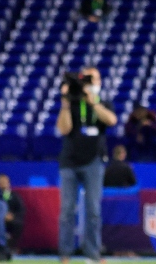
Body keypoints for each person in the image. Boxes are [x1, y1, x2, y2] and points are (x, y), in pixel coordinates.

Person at [57, 67, 118, 264]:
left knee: (93, 210)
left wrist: (94, 103)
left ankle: (93, 253)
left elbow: (111, 120)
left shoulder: (103, 102)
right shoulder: (72, 102)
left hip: (94, 161)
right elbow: (63, 129)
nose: (91, 83)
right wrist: (65, 104)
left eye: (95, 79)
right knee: (67, 210)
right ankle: (65, 254)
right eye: (87, 80)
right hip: (69, 161)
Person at [0, 174, 24, 252]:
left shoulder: (15, 196)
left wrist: (12, 216)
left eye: (5, 182)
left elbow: (20, 210)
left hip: (11, 220)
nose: (3, 183)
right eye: (0, 182)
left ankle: (11, 247)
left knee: (18, 223)